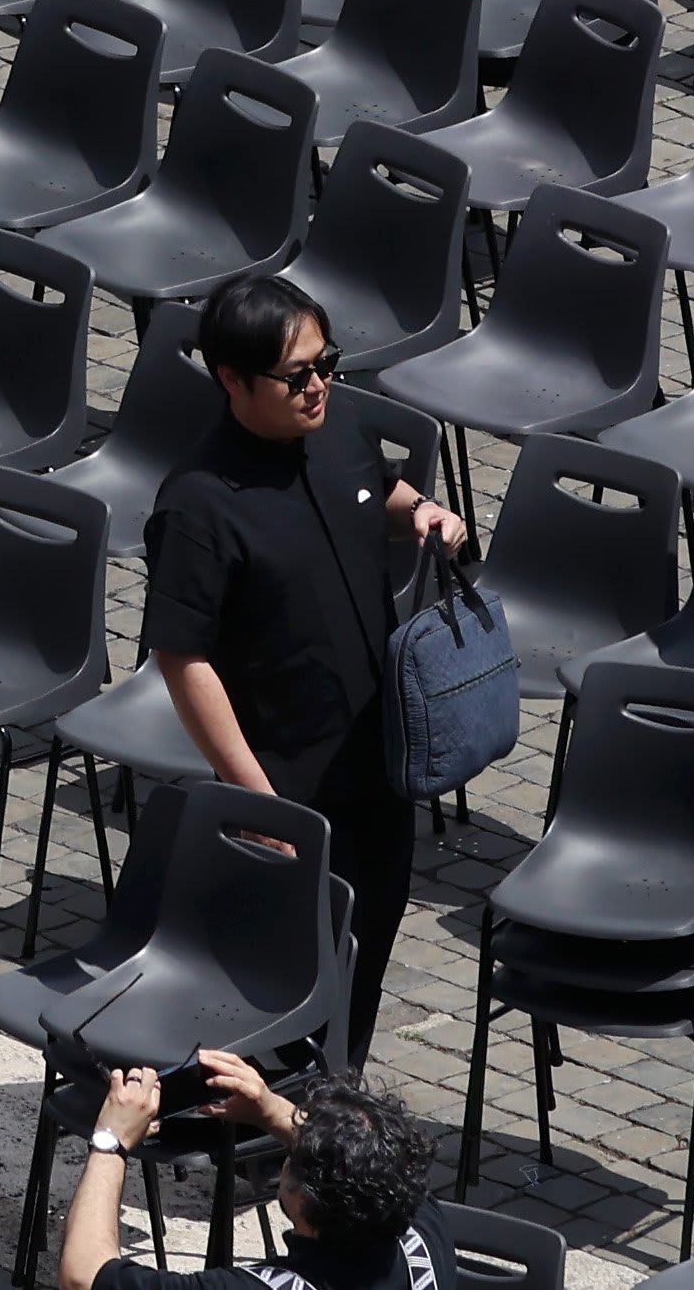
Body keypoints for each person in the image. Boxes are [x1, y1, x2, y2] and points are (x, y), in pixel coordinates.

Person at [150, 265, 473, 1043]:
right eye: (296, 375)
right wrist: (255, 797)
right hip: (290, 781)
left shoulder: (340, 430)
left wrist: (423, 511)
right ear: (231, 377)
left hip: (377, 759)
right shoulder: (198, 505)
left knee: (364, 955)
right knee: (292, 984)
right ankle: (277, 1135)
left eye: (327, 363)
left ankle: (333, 1122)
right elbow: (182, 659)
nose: (318, 386)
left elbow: (376, 489)